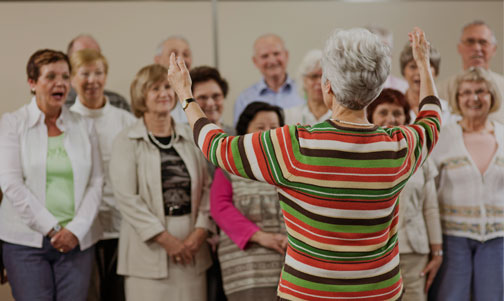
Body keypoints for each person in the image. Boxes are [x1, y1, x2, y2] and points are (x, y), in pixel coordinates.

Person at [168, 26, 442, 300]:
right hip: (380, 291)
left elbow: (216, 146)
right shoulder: (399, 146)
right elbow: (431, 117)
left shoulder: (294, 145)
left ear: (328, 86)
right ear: (378, 88)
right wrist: (423, 66)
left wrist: (186, 96)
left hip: (307, 292)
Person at [0, 49, 103, 300]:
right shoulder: (12, 123)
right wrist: (54, 229)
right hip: (25, 242)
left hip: (76, 242)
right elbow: (11, 183)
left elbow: (97, 182)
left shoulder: (84, 125)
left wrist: (75, 230)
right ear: (32, 83)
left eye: (65, 77)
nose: (60, 83)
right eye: (51, 76)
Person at [110, 64, 214, 301]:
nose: (164, 93)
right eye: (155, 88)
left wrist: (200, 231)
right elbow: (127, 199)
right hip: (147, 254)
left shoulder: (191, 135)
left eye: (168, 86)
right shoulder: (126, 141)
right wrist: (167, 241)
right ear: (141, 95)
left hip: (193, 251)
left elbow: (207, 187)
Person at [429, 67, 504, 301]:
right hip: (453, 239)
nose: (474, 98)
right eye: (466, 93)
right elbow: (429, 190)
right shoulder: (443, 136)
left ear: (491, 96)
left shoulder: (503, 134)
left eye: (481, 91)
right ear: (457, 98)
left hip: (496, 237)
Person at [69, 49, 136, 301]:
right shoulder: (66, 121)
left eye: (98, 73)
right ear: (73, 78)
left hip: (123, 227)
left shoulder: (126, 120)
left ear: (106, 76)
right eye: (84, 73)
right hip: (81, 228)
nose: (92, 80)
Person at [367, 88, 443, 301]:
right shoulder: (362, 154)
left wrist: (437, 251)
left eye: (397, 113)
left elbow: (430, 208)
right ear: (371, 116)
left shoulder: (419, 153)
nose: (390, 119)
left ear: (406, 117)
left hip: (413, 251)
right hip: (374, 254)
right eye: (383, 112)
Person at [211, 101, 287, 301]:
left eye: (274, 128)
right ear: (245, 131)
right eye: (260, 128)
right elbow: (220, 208)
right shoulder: (230, 167)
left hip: (290, 267)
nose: (268, 133)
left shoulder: (290, 168)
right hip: (247, 269)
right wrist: (260, 236)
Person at [189, 65, 232, 301]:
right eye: (202, 98)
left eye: (216, 96)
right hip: (197, 237)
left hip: (234, 236)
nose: (211, 102)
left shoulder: (239, 135)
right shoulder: (184, 139)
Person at [438, 20, 504, 123]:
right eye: (470, 42)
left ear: (494, 49)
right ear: (459, 48)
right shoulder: (440, 90)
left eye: (483, 42)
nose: (477, 48)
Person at [233, 34, 304, 124]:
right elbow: (240, 136)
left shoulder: (305, 91)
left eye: (276, 53)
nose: (272, 60)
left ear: (286, 55)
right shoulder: (244, 99)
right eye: (265, 56)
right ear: (255, 61)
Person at [65, 34, 131, 112]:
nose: (92, 80)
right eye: (81, 56)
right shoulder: (60, 106)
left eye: (95, 54)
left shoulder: (118, 103)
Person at [399, 42, 457, 124]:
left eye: (425, 66)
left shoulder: (449, 111)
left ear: (436, 72)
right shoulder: (394, 108)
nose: (419, 72)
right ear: (403, 72)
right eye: (413, 66)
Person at [284, 50, 331, 125]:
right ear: (303, 80)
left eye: (324, 77)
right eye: (314, 76)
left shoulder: (340, 116)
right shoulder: (289, 116)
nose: (319, 82)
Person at [155, 36, 193, 124]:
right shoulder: (150, 96)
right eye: (174, 54)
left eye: (186, 54)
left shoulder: (200, 93)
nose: (181, 59)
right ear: (157, 60)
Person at [365, 24, 409, 93]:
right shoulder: (355, 87)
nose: (385, 55)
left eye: (388, 49)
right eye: (380, 49)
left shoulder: (403, 88)